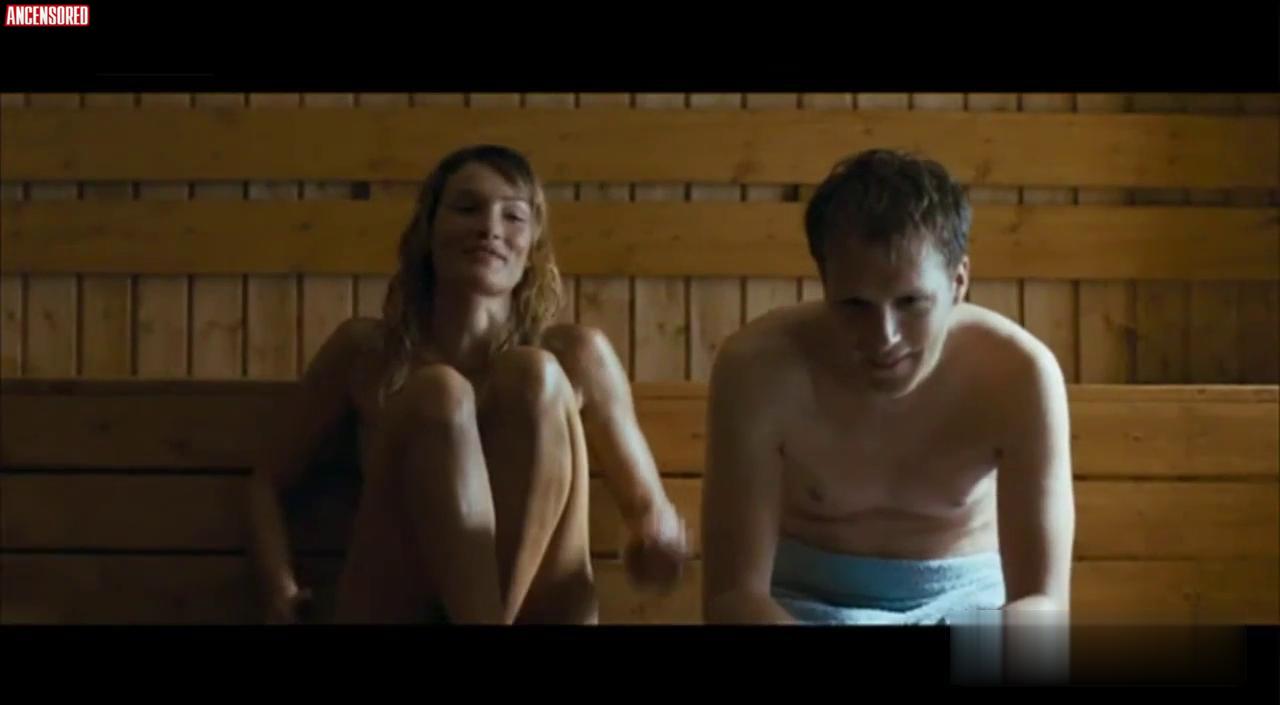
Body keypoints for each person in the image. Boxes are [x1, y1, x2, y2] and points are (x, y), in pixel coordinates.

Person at [246, 144, 689, 625]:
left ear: (533, 245)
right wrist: (279, 588)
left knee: (534, 376)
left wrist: (657, 543)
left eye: (513, 216)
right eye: (467, 208)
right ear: (428, 231)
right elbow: (265, 482)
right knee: (439, 394)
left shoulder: (578, 357)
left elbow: (650, 512)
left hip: (538, 610)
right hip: (402, 606)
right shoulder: (366, 353)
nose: (490, 228)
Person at [701, 148, 1075, 629]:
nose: (884, 337)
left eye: (911, 302)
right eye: (855, 305)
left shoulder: (1018, 374)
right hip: (799, 606)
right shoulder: (757, 369)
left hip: (967, 608)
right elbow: (733, 597)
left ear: (958, 281)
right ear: (825, 284)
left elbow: (1044, 605)